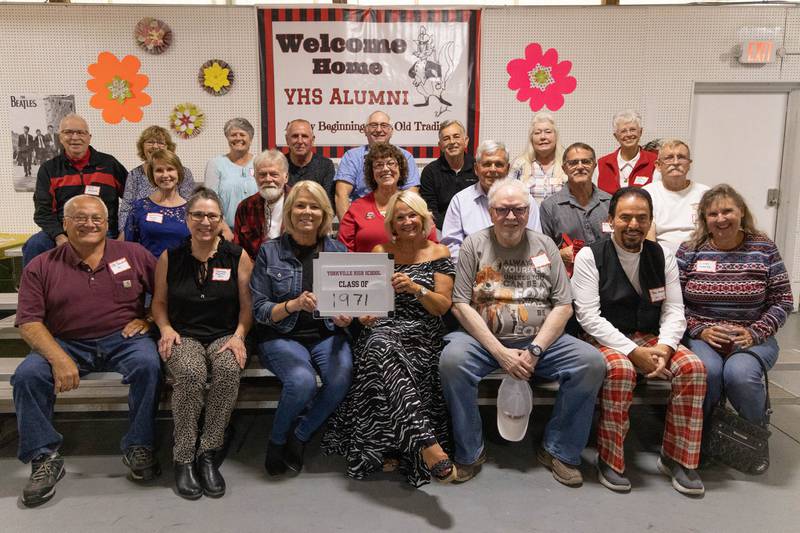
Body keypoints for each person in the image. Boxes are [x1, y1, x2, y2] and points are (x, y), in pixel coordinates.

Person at [439, 178, 605, 486]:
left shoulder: (545, 246)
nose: (511, 217)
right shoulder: (474, 245)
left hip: (540, 341)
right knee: (452, 362)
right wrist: (500, 353)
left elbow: (564, 305)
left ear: (528, 212)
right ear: (491, 212)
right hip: (484, 341)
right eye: (503, 210)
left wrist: (536, 350)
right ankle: (469, 451)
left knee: (590, 362)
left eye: (518, 209)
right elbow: (461, 305)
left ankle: (559, 450)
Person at [12, 195, 161, 507]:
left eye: (97, 218)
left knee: (149, 364)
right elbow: (28, 321)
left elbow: (166, 293)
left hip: (124, 338)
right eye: (79, 218)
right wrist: (59, 357)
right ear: (65, 224)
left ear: (107, 224)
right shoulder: (42, 265)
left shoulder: (134, 254)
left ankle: (139, 444)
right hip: (65, 341)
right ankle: (44, 456)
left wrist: (148, 319)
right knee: (27, 375)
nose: (89, 224)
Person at [571, 187, 707, 495]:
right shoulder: (590, 256)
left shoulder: (663, 256)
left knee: (694, 368)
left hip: (652, 337)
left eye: (641, 218)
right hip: (605, 338)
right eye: (625, 217)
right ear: (610, 220)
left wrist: (665, 347)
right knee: (620, 371)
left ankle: (678, 458)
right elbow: (589, 318)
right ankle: (611, 460)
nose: (633, 225)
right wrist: (634, 353)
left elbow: (673, 310)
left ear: (650, 221)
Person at [323, 190, 456, 486]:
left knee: (377, 353)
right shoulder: (380, 251)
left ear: (423, 219)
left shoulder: (439, 253)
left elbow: (442, 306)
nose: (407, 221)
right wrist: (364, 315)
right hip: (385, 326)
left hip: (423, 330)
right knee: (377, 344)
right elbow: (367, 303)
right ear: (392, 224)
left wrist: (415, 289)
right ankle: (425, 444)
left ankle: (390, 447)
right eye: (400, 217)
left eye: (413, 216)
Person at [677, 184, 793, 473]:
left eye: (727, 210)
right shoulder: (690, 250)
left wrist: (755, 332)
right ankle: (700, 439)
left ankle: (752, 438)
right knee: (707, 371)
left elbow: (783, 299)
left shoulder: (763, 248)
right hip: (703, 335)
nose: (721, 218)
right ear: (704, 218)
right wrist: (699, 329)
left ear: (741, 212)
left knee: (740, 374)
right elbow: (673, 302)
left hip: (753, 335)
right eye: (713, 213)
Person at [152, 187, 253, 500]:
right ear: (187, 219)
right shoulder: (171, 257)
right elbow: (158, 302)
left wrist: (239, 335)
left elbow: (248, 306)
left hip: (225, 333)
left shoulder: (237, 255)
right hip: (184, 334)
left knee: (226, 369)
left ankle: (209, 452)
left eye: (212, 215)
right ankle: (183, 457)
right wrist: (165, 328)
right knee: (191, 374)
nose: (205, 221)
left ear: (221, 220)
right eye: (198, 215)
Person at [250, 181, 353, 476]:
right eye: (300, 205)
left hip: (327, 334)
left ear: (324, 213)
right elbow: (260, 311)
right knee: (302, 380)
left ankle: (301, 434)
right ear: (290, 211)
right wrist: (293, 305)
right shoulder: (270, 252)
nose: (307, 212)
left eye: (314, 206)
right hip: (281, 335)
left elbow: (347, 304)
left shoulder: (338, 251)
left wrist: (346, 317)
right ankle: (277, 441)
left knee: (341, 378)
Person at [23, 114, 128, 266]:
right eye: (68, 132)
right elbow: (42, 212)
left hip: (104, 232)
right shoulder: (49, 169)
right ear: (60, 137)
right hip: (64, 233)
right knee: (34, 245)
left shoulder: (109, 164)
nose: (75, 137)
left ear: (89, 137)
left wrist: (124, 231)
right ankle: (33, 289)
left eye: (80, 132)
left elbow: (133, 201)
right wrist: (59, 236)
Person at [441, 141, 542, 262]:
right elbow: (452, 247)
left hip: (519, 271)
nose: (493, 169)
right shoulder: (460, 202)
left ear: (508, 169)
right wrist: (470, 272)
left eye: (499, 164)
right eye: (487, 164)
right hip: (474, 273)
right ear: (476, 169)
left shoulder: (525, 199)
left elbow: (536, 243)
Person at [338, 143, 436, 253]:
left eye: (391, 163)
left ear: (400, 168)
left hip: (411, 269)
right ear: (371, 172)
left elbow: (433, 246)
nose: (385, 169)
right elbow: (343, 251)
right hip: (367, 269)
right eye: (379, 165)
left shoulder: (415, 204)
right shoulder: (357, 208)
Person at [333, 110, 420, 221]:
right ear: (365, 130)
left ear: (391, 131)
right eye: (373, 125)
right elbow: (341, 194)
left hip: (397, 218)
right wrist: (348, 228)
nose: (379, 130)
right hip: (361, 218)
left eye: (384, 125)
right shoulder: (352, 156)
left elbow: (411, 195)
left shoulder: (405, 156)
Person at [540, 142, 612, 268]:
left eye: (586, 161)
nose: (580, 167)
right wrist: (559, 255)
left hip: (607, 275)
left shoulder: (610, 202)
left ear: (594, 165)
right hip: (569, 280)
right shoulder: (549, 207)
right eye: (573, 163)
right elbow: (540, 257)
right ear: (564, 168)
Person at [118, 126, 196, 231]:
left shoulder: (184, 173)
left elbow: (190, 205)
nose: (155, 146)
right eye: (150, 142)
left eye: (161, 143)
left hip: (177, 228)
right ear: (142, 147)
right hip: (143, 231)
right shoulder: (134, 175)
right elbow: (126, 209)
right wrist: (125, 234)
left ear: (168, 148)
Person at [643, 139, 709, 253]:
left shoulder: (705, 193)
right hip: (662, 257)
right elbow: (649, 238)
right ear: (658, 166)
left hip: (700, 256)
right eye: (669, 158)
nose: (676, 162)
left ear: (689, 164)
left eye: (681, 157)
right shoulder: (648, 193)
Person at [124, 149, 190, 258]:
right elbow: (130, 246)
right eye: (159, 170)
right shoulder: (139, 208)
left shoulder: (191, 210)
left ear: (178, 172)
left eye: (170, 169)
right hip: (148, 270)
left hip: (182, 272)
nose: (165, 175)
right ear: (152, 175)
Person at [233, 149, 291, 260]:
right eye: (262, 175)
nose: (268, 179)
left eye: (274, 174)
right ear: (255, 177)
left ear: (286, 177)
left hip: (292, 269)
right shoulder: (245, 207)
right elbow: (238, 248)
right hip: (255, 269)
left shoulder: (299, 204)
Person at [420, 120, 477, 230]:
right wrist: (450, 229)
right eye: (446, 138)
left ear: (466, 141)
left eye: (456, 136)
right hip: (441, 228)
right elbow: (430, 210)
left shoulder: (478, 169)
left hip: (474, 228)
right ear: (440, 145)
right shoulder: (430, 172)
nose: (452, 142)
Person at [204, 117, 257, 230]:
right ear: (227, 138)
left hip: (257, 230)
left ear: (250, 138)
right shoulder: (215, 164)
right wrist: (223, 228)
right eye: (233, 135)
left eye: (242, 134)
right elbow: (210, 200)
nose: (238, 138)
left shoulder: (261, 162)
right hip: (226, 231)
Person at [509, 112, 567, 204]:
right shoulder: (519, 164)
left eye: (548, 132)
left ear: (556, 136)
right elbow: (508, 197)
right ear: (531, 138)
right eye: (537, 133)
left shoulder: (567, 164)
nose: (543, 137)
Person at [597, 110, 658, 194]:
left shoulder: (655, 162)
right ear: (616, 136)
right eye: (623, 131)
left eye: (632, 129)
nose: (628, 134)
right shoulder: (602, 164)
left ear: (640, 132)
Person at [285, 119, 335, 206]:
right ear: (287, 140)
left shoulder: (326, 165)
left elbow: (329, 204)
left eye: (304, 136)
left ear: (312, 140)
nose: (300, 141)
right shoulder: (279, 165)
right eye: (295, 136)